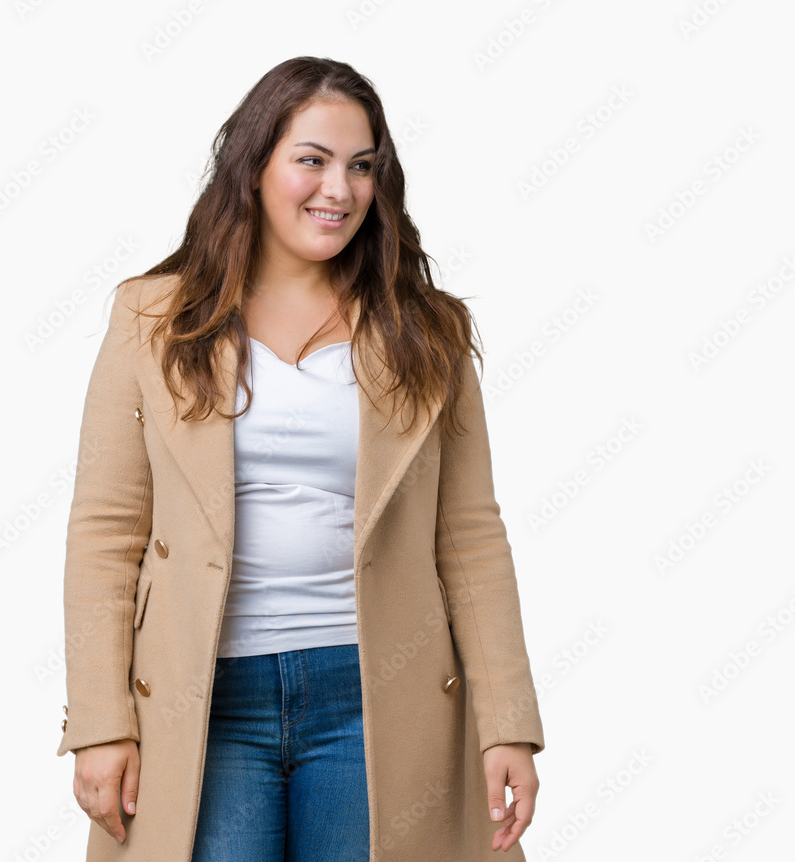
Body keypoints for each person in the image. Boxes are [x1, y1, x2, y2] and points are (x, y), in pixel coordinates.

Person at [57, 56, 546, 862]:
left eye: (362, 166)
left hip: (376, 694)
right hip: (202, 701)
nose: (339, 189)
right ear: (254, 167)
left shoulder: (425, 329)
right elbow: (105, 533)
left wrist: (508, 724)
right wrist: (99, 721)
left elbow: (469, 535)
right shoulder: (153, 318)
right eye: (312, 160)